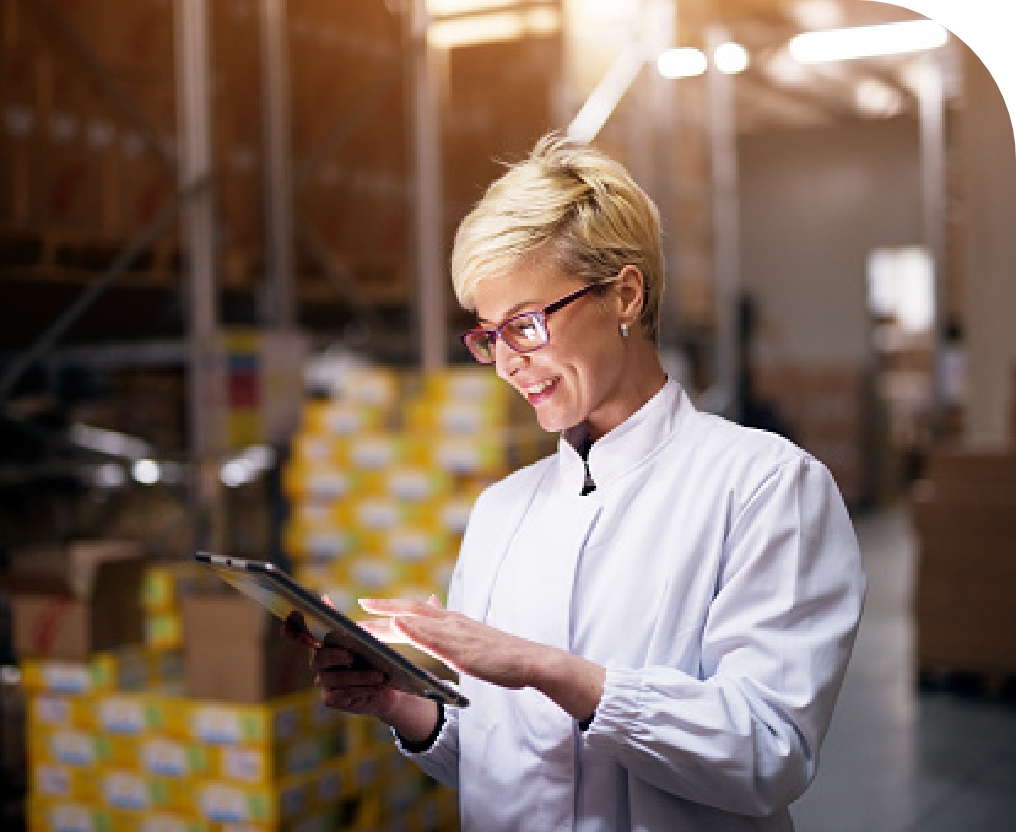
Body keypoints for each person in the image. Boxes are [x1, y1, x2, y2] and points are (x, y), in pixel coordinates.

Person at [305, 134, 866, 830]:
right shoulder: (502, 511)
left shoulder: (764, 488)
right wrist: (403, 703)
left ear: (625, 294)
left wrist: (553, 671)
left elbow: (768, 752)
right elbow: (497, 759)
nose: (508, 364)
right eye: (488, 336)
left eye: (527, 325)